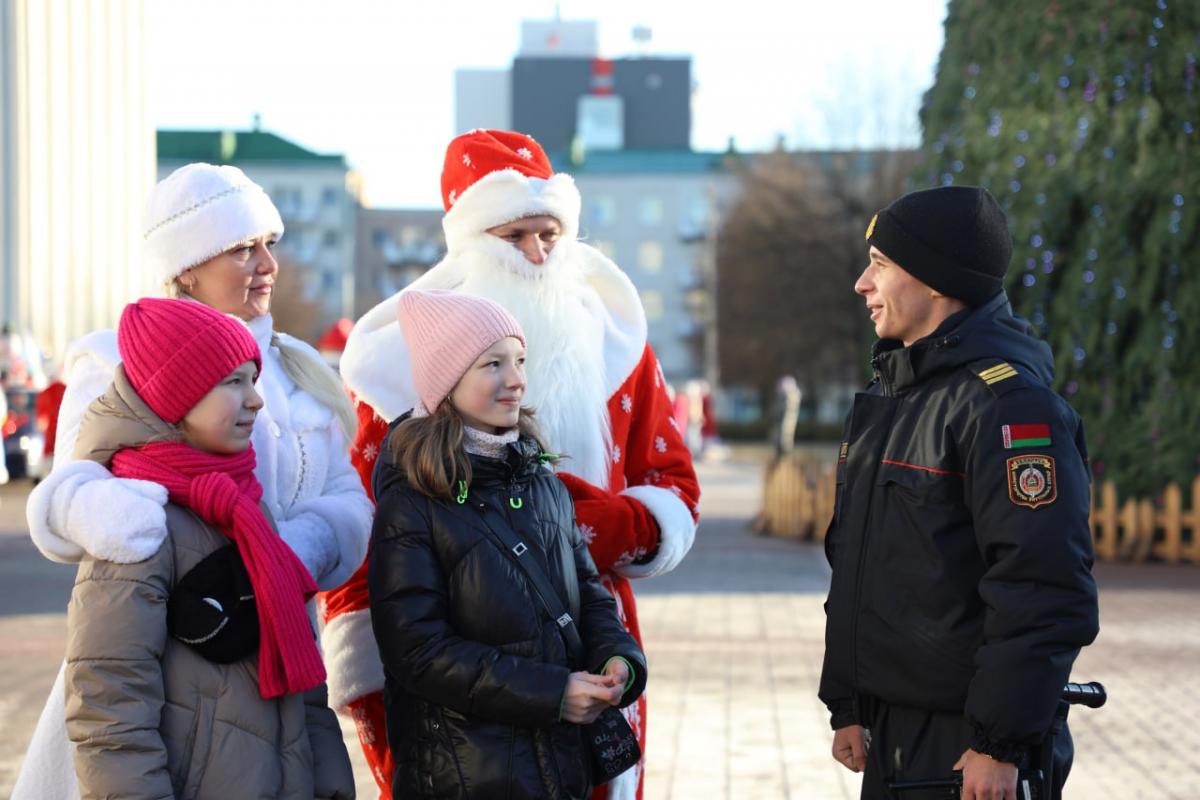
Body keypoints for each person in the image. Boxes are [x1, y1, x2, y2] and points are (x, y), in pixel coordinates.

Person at [321, 129, 699, 800]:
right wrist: (366, 679)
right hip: (465, 705)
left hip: (580, 653)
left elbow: (673, 487)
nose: (536, 253)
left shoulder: (620, 344)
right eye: (514, 235)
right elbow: (367, 546)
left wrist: (609, 527)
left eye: (550, 232)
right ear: (470, 243)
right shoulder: (395, 371)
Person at [18, 163, 371, 795]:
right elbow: (67, 501)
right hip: (163, 665)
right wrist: (130, 522)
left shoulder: (300, 371)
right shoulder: (116, 362)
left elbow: (347, 502)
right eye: (242, 248)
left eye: (270, 244)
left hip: (278, 651)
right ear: (187, 268)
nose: (267, 264)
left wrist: (288, 555)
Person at [818, 186, 1099, 800]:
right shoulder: (888, 398)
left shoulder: (1008, 408)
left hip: (969, 750)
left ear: (938, 280)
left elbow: (1042, 586)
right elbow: (859, 564)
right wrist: (847, 699)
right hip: (891, 733)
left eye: (882, 265)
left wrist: (999, 745)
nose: (862, 283)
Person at [369, 289, 646, 798]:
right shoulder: (412, 503)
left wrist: (618, 660)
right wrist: (553, 694)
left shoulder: (543, 484)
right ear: (447, 382)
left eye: (519, 360)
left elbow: (588, 595)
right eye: (492, 364)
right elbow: (417, 650)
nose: (516, 379)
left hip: (559, 772)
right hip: (466, 777)